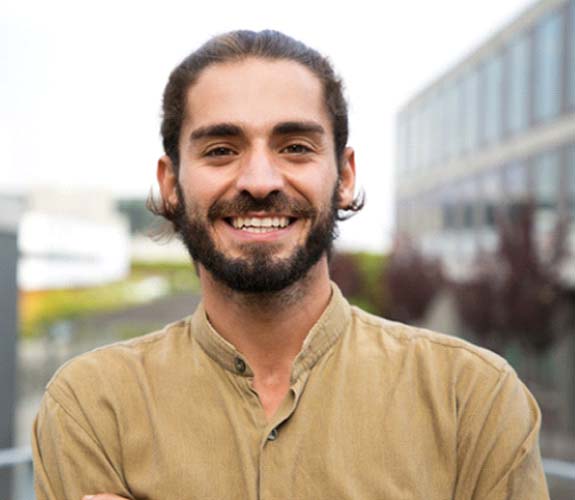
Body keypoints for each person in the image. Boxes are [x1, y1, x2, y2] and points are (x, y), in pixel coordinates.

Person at [32, 30, 549, 500]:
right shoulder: (91, 408)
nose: (260, 180)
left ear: (344, 176)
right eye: (220, 149)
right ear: (171, 184)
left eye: (296, 147)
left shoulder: (473, 401)